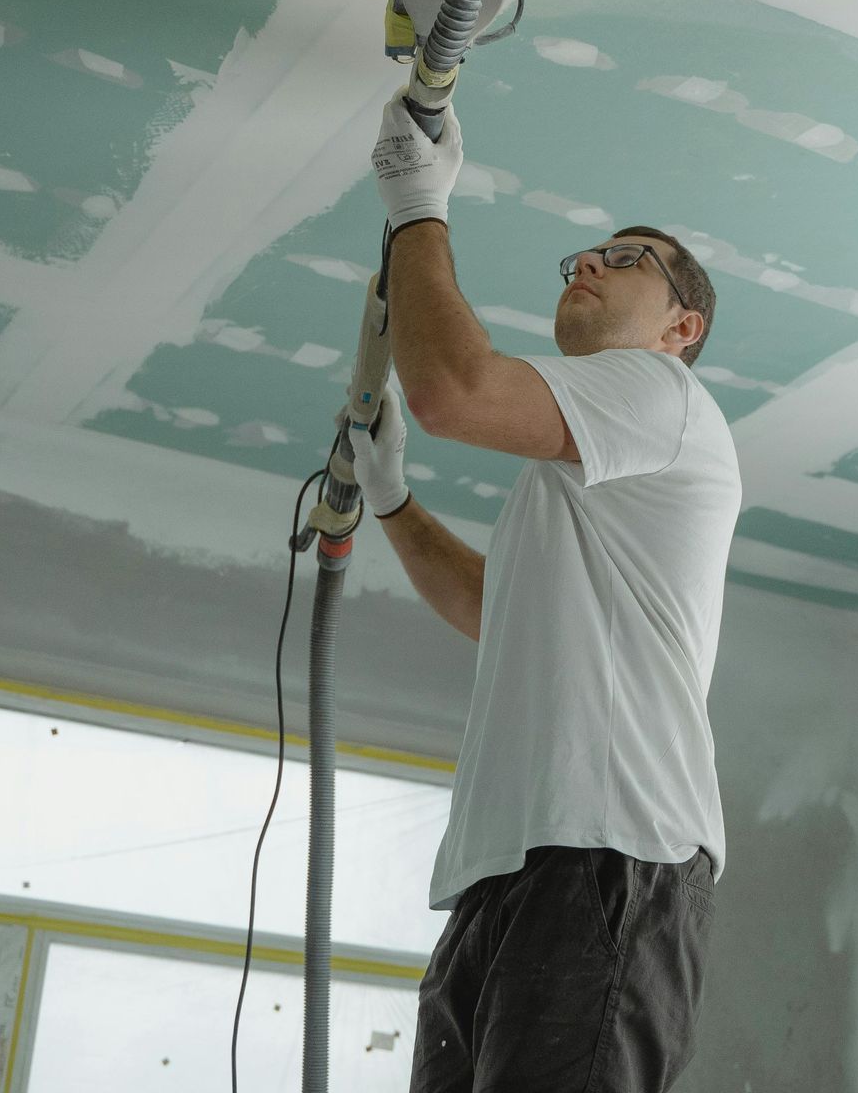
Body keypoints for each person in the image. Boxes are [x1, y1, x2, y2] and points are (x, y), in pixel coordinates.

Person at [349, 92, 743, 1093]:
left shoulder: (665, 399)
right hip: (509, 868)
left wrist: (415, 208)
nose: (587, 265)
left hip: (611, 850)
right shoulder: (570, 486)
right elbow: (494, 611)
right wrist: (392, 501)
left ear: (681, 327)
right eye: (579, 258)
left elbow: (452, 390)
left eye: (624, 259)